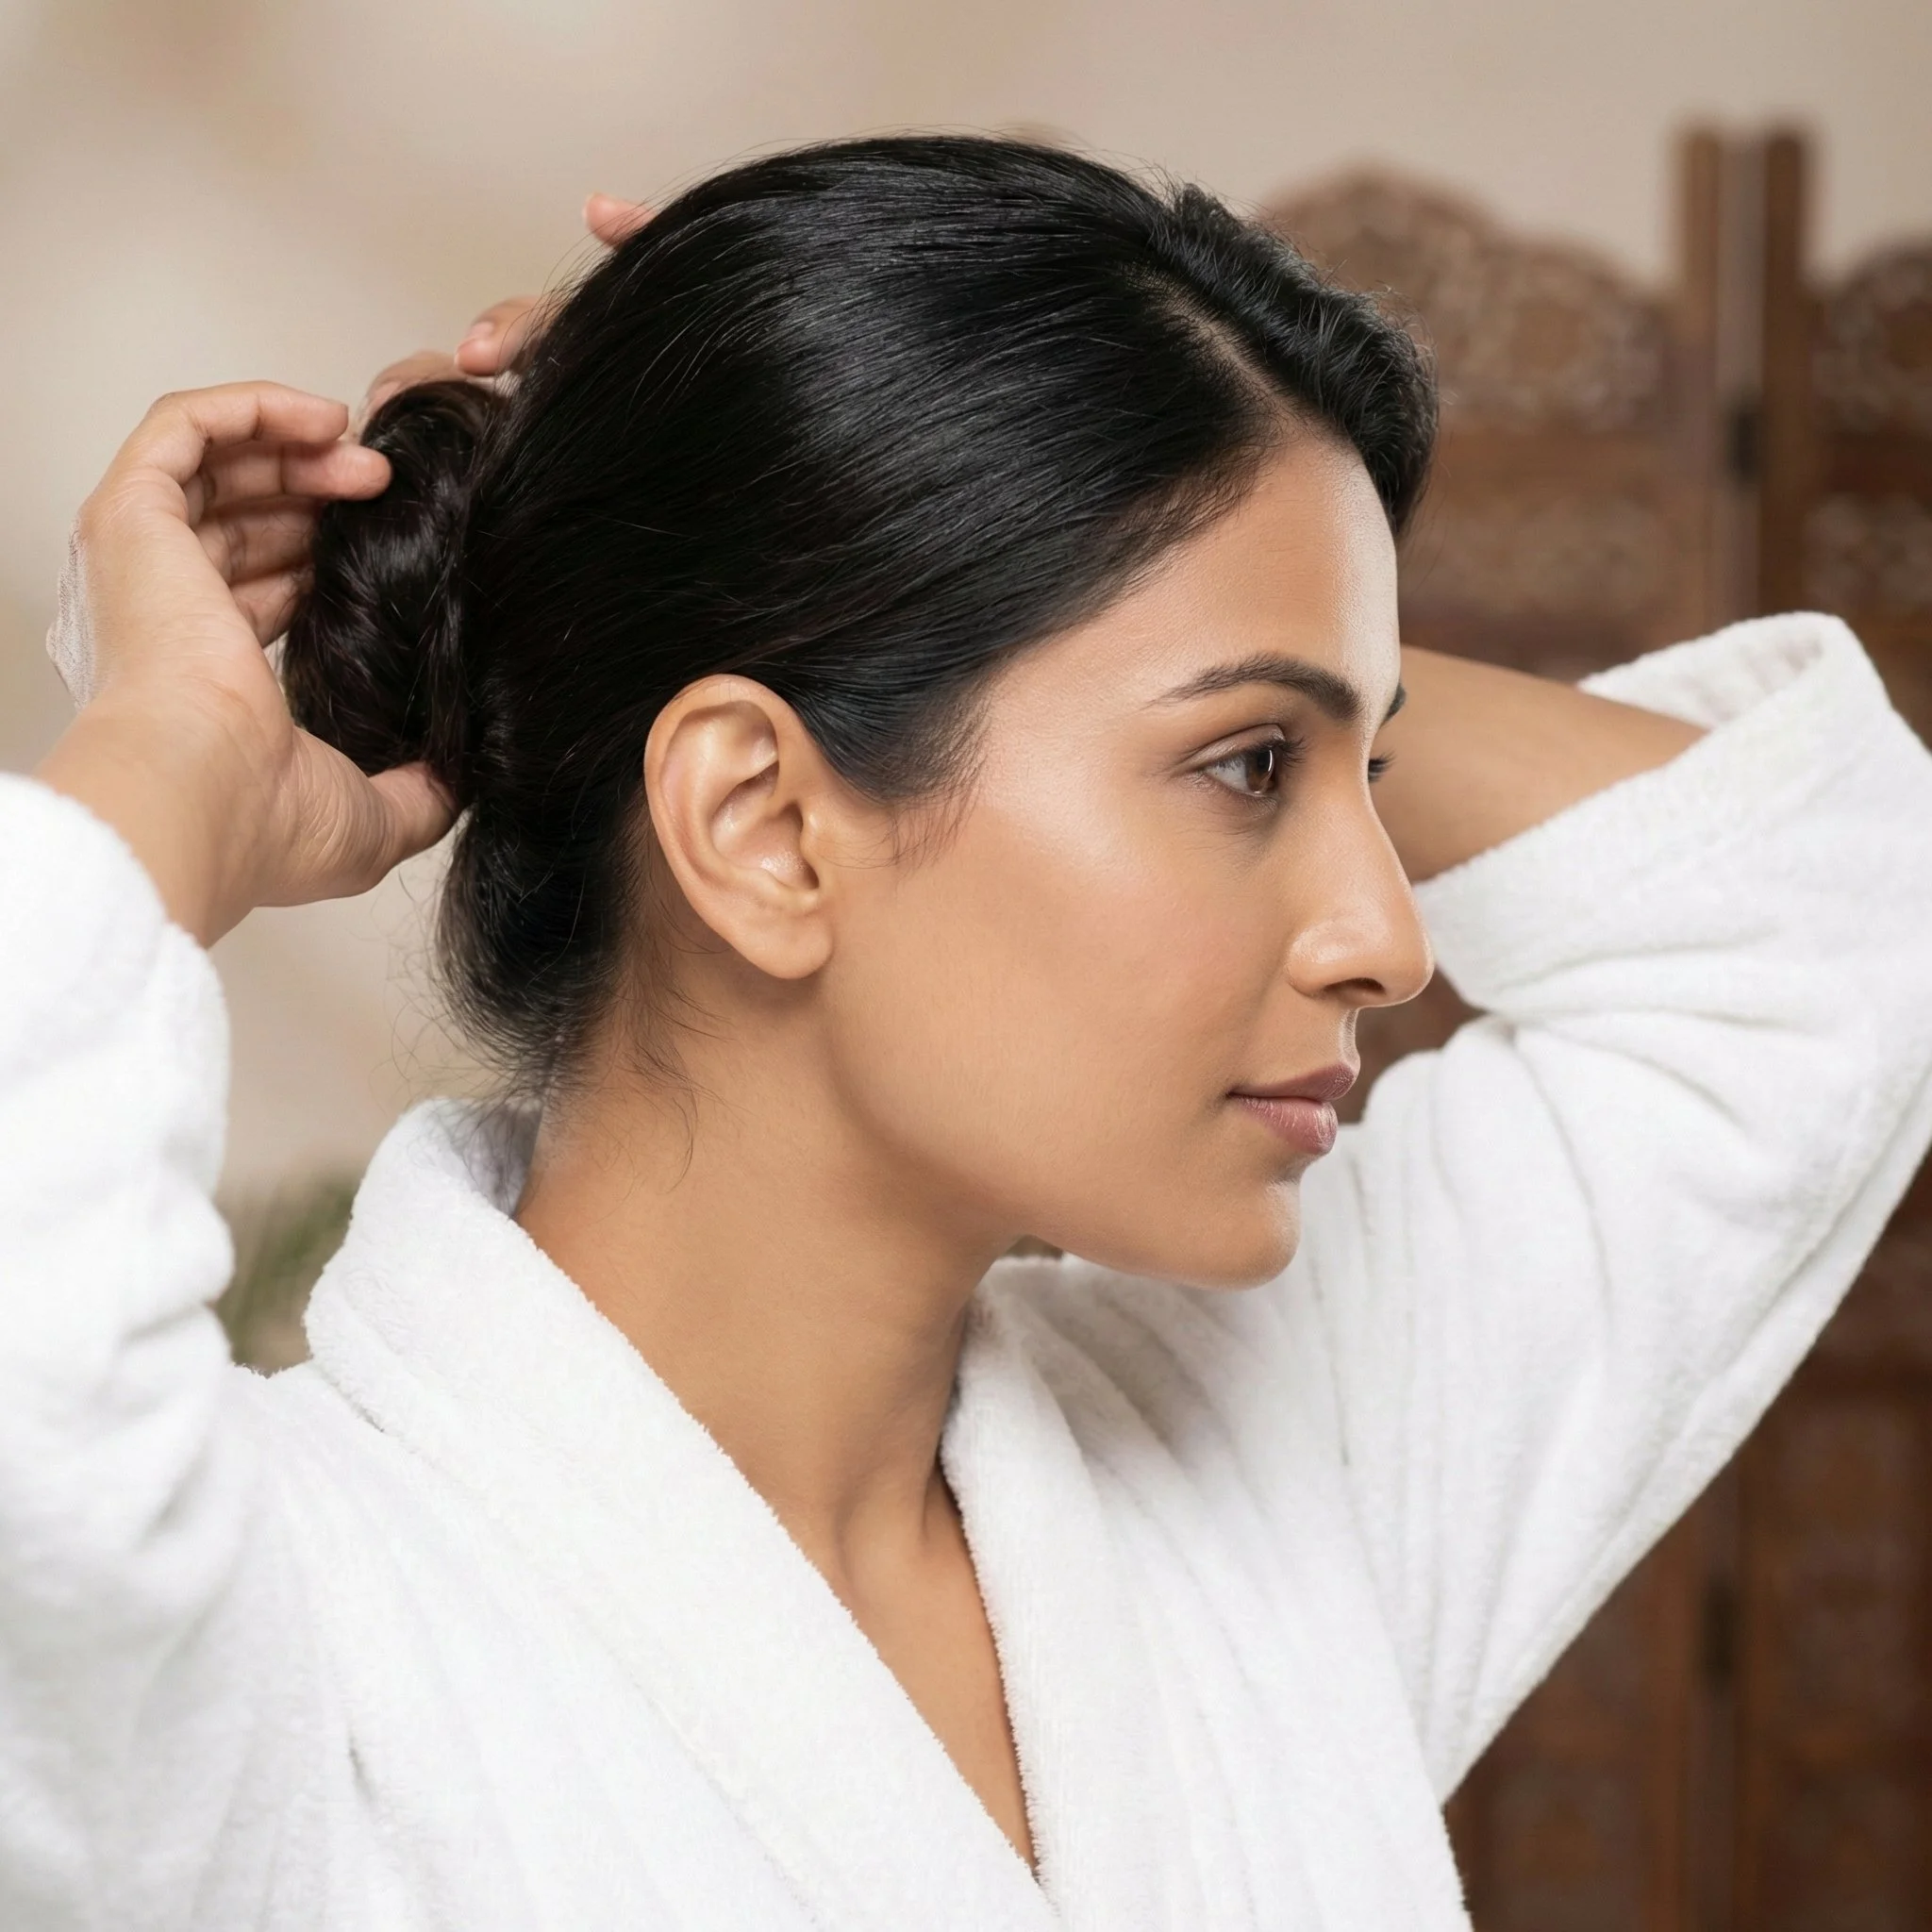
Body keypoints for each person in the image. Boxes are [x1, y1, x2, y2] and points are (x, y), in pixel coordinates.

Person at [5, 135, 1931, 1932]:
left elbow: (1820, 920)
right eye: (1249, 765)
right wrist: (167, 758)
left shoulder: (1247, 1485)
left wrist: (934, 509)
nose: (1384, 937)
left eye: (1375, 768)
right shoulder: (273, 1645)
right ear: (762, 825)